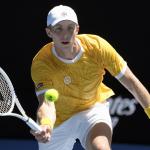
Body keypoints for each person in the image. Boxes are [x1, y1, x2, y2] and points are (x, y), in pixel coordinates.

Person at [30, 5, 150, 150]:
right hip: (57, 122)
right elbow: (46, 103)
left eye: (70, 27)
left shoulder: (97, 47)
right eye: (58, 29)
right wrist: (46, 124)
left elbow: (131, 82)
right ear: (49, 32)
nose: (65, 34)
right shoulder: (42, 62)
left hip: (92, 110)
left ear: (77, 29)